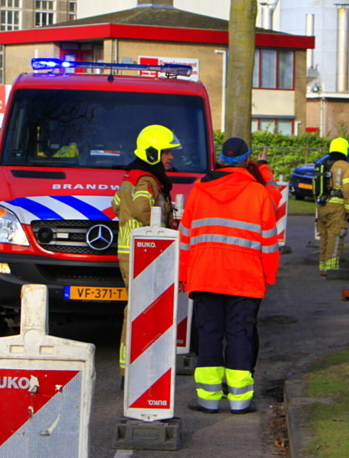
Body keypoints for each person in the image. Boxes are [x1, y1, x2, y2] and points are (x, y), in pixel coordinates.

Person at [179, 137, 280, 414]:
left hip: (204, 275)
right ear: (247, 160)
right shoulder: (258, 193)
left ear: (221, 159)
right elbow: (269, 243)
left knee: (208, 334)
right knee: (240, 335)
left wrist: (184, 275)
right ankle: (240, 401)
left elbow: (185, 237)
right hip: (245, 278)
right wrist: (268, 277)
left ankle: (208, 400)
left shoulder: (199, 189)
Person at [111, 124, 181, 376]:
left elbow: (116, 204)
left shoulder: (132, 176)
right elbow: (143, 209)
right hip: (141, 252)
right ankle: (130, 370)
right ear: (152, 153)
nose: (171, 157)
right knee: (139, 308)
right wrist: (165, 220)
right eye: (166, 153)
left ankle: (131, 367)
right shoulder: (147, 179)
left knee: (139, 306)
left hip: (134, 252)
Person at [317, 137, 349, 275]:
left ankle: (323, 267)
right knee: (336, 236)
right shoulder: (345, 166)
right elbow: (348, 189)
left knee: (325, 236)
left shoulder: (324, 164)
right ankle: (331, 268)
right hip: (337, 207)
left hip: (322, 206)